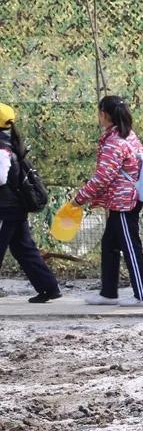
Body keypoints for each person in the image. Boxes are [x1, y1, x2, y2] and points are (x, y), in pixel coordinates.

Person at [73, 95, 143, 307]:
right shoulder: (129, 136)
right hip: (129, 199)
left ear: (104, 114)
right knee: (109, 244)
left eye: (99, 113)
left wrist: (80, 198)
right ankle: (108, 293)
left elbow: (102, 177)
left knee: (130, 246)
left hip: (123, 202)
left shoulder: (114, 143)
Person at [0, 103, 62, 303]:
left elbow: (1, 177)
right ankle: (49, 287)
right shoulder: (10, 142)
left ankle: (49, 287)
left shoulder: (1, 147)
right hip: (14, 208)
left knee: (20, 248)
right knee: (24, 249)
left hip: (6, 208)